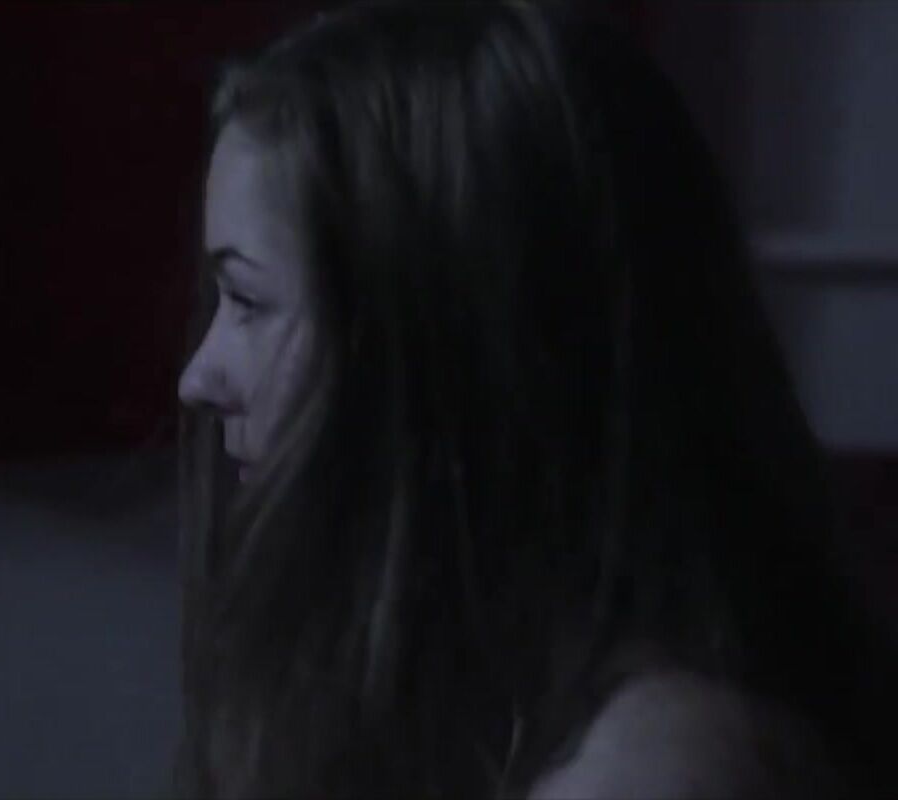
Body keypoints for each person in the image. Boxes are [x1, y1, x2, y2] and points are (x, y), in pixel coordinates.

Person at [172, 1, 897, 797]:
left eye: (248, 301)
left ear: (455, 340)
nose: (198, 377)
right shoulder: (462, 686)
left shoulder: (653, 773)